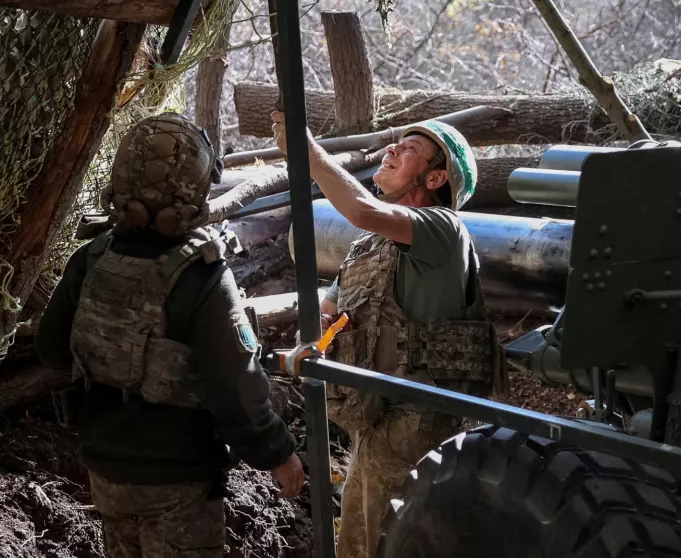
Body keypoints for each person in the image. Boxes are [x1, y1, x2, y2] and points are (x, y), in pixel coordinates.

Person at [36, 112, 304, 558]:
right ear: (196, 189)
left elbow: (51, 349)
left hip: (105, 467)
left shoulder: (92, 256)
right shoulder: (203, 277)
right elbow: (237, 387)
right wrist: (277, 453)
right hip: (178, 478)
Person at [271, 112, 506, 558]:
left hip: (419, 425)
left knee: (392, 544)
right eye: (396, 143)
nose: (392, 150)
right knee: (359, 543)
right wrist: (322, 327)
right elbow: (330, 308)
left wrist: (308, 153)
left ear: (436, 177)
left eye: (410, 150)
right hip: (374, 419)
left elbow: (361, 209)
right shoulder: (369, 247)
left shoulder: (444, 229)